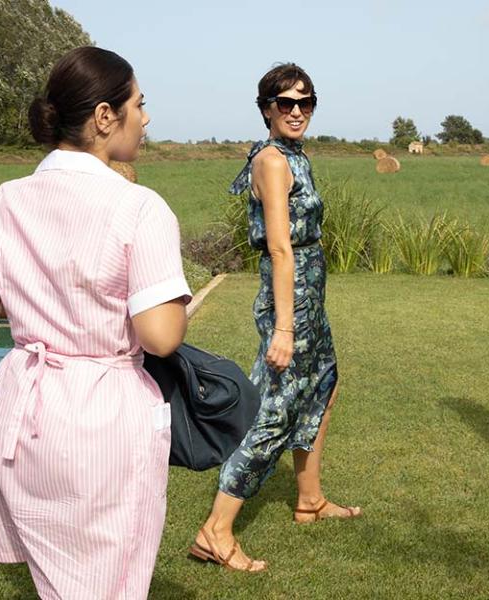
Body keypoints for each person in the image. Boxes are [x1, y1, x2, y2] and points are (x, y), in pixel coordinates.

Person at [0, 46, 191, 597]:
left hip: (20, 411)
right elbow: (161, 334)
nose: (147, 117)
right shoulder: (139, 207)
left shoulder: (7, 199)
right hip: (97, 420)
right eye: (140, 103)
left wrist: (44, 305)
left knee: (57, 578)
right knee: (108, 582)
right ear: (106, 117)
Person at [188, 63, 360, 572]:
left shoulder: (293, 156)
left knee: (324, 384)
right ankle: (215, 530)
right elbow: (281, 249)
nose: (297, 111)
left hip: (307, 294)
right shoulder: (272, 161)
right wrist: (284, 327)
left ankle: (309, 499)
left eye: (305, 102)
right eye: (286, 103)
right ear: (266, 108)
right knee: (274, 408)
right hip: (292, 300)